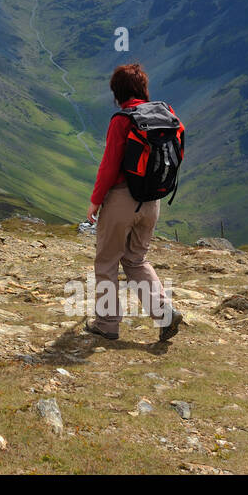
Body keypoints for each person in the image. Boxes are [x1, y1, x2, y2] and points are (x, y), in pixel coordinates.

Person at [84, 62, 185, 343]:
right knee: (136, 260)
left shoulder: (122, 120)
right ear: (143, 88)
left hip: (121, 201)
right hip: (152, 202)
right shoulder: (166, 115)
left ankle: (107, 325)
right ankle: (165, 312)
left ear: (117, 91)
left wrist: (95, 201)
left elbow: (108, 166)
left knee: (107, 263)